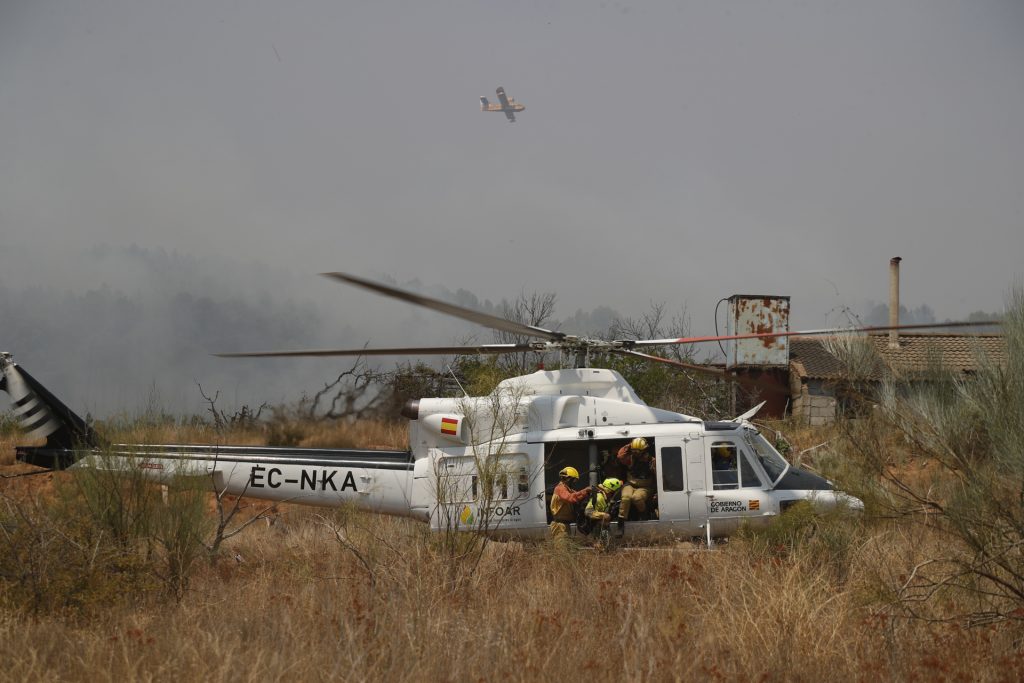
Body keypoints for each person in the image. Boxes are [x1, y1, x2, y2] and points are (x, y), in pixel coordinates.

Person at [617, 437, 656, 524]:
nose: (635, 454)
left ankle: (644, 514)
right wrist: (631, 445)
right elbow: (620, 456)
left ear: (644, 450)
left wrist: (657, 493)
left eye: (637, 451)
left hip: (645, 487)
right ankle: (621, 522)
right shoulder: (630, 459)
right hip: (630, 485)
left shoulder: (652, 461)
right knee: (626, 497)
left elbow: (658, 477)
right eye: (633, 451)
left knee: (636, 498)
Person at [549, 466, 592, 539]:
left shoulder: (567, 489)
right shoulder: (560, 488)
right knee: (561, 549)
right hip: (559, 526)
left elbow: (576, 495)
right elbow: (571, 498)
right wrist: (585, 490)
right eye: (574, 480)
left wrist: (587, 492)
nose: (574, 482)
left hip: (564, 525)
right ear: (568, 479)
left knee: (566, 547)